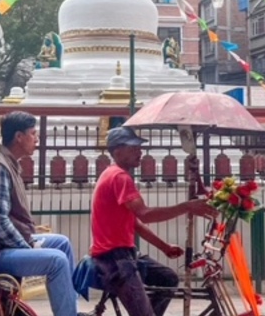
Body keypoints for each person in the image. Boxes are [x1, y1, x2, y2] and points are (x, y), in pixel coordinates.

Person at [90, 126, 218, 316]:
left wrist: (164, 247)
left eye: (138, 148)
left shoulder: (113, 174)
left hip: (124, 253)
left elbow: (134, 222)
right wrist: (187, 206)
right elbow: (145, 214)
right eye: (133, 148)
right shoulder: (119, 177)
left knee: (168, 279)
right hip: (115, 259)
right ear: (117, 152)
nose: (139, 152)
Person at [0, 111, 87, 316]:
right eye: (33, 133)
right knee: (57, 261)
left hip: (10, 243)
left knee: (61, 243)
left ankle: (71, 309)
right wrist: (26, 246)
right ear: (19, 137)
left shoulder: (10, 163)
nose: (37, 139)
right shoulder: (1, 166)